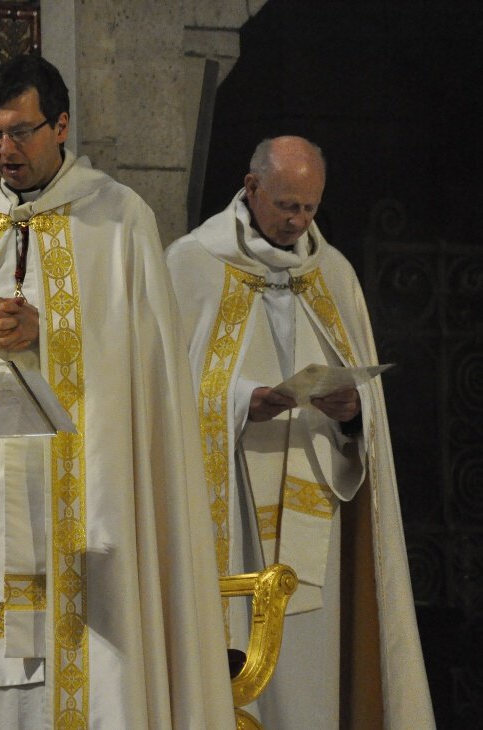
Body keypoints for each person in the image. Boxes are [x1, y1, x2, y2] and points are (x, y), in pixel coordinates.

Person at [0, 54, 234, 729]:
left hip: (85, 501)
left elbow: (148, 371)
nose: (5, 151)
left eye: (21, 133)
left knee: (89, 676)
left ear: (61, 125)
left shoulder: (120, 221)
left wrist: (52, 333)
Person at [166, 136, 434, 728]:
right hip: (230, 510)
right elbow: (160, 393)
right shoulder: (191, 264)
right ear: (252, 187)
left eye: (310, 207)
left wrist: (352, 411)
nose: (298, 221)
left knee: (317, 671)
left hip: (318, 518)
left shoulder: (332, 273)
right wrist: (241, 403)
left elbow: (370, 414)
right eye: (287, 205)